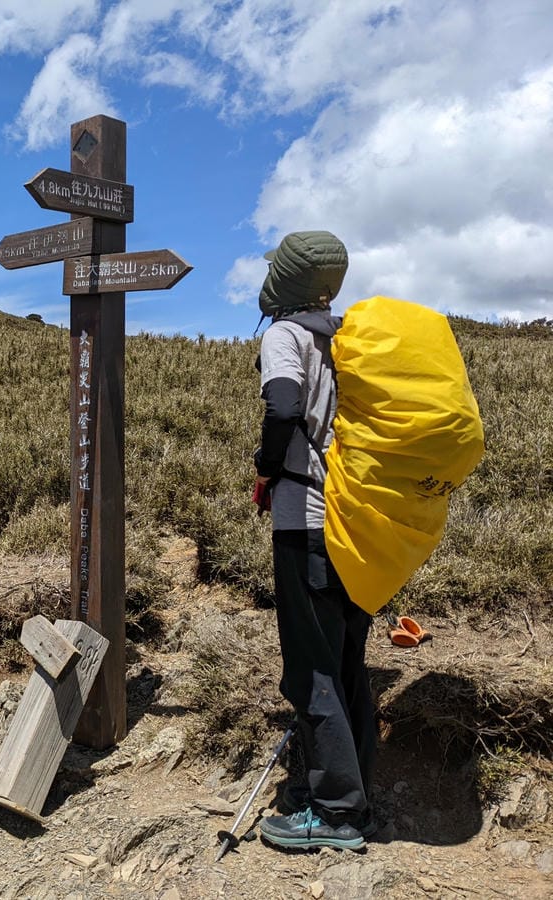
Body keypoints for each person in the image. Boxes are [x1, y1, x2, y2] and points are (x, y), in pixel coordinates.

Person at [252, 231, 376, 851]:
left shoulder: (285, 335)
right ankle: (357, 791)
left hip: (305, 521)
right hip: (357, 526)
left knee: (311, 667)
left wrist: (266, 468)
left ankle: (334, 813)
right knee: (348, 659)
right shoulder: (347, 337)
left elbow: (281, 406)